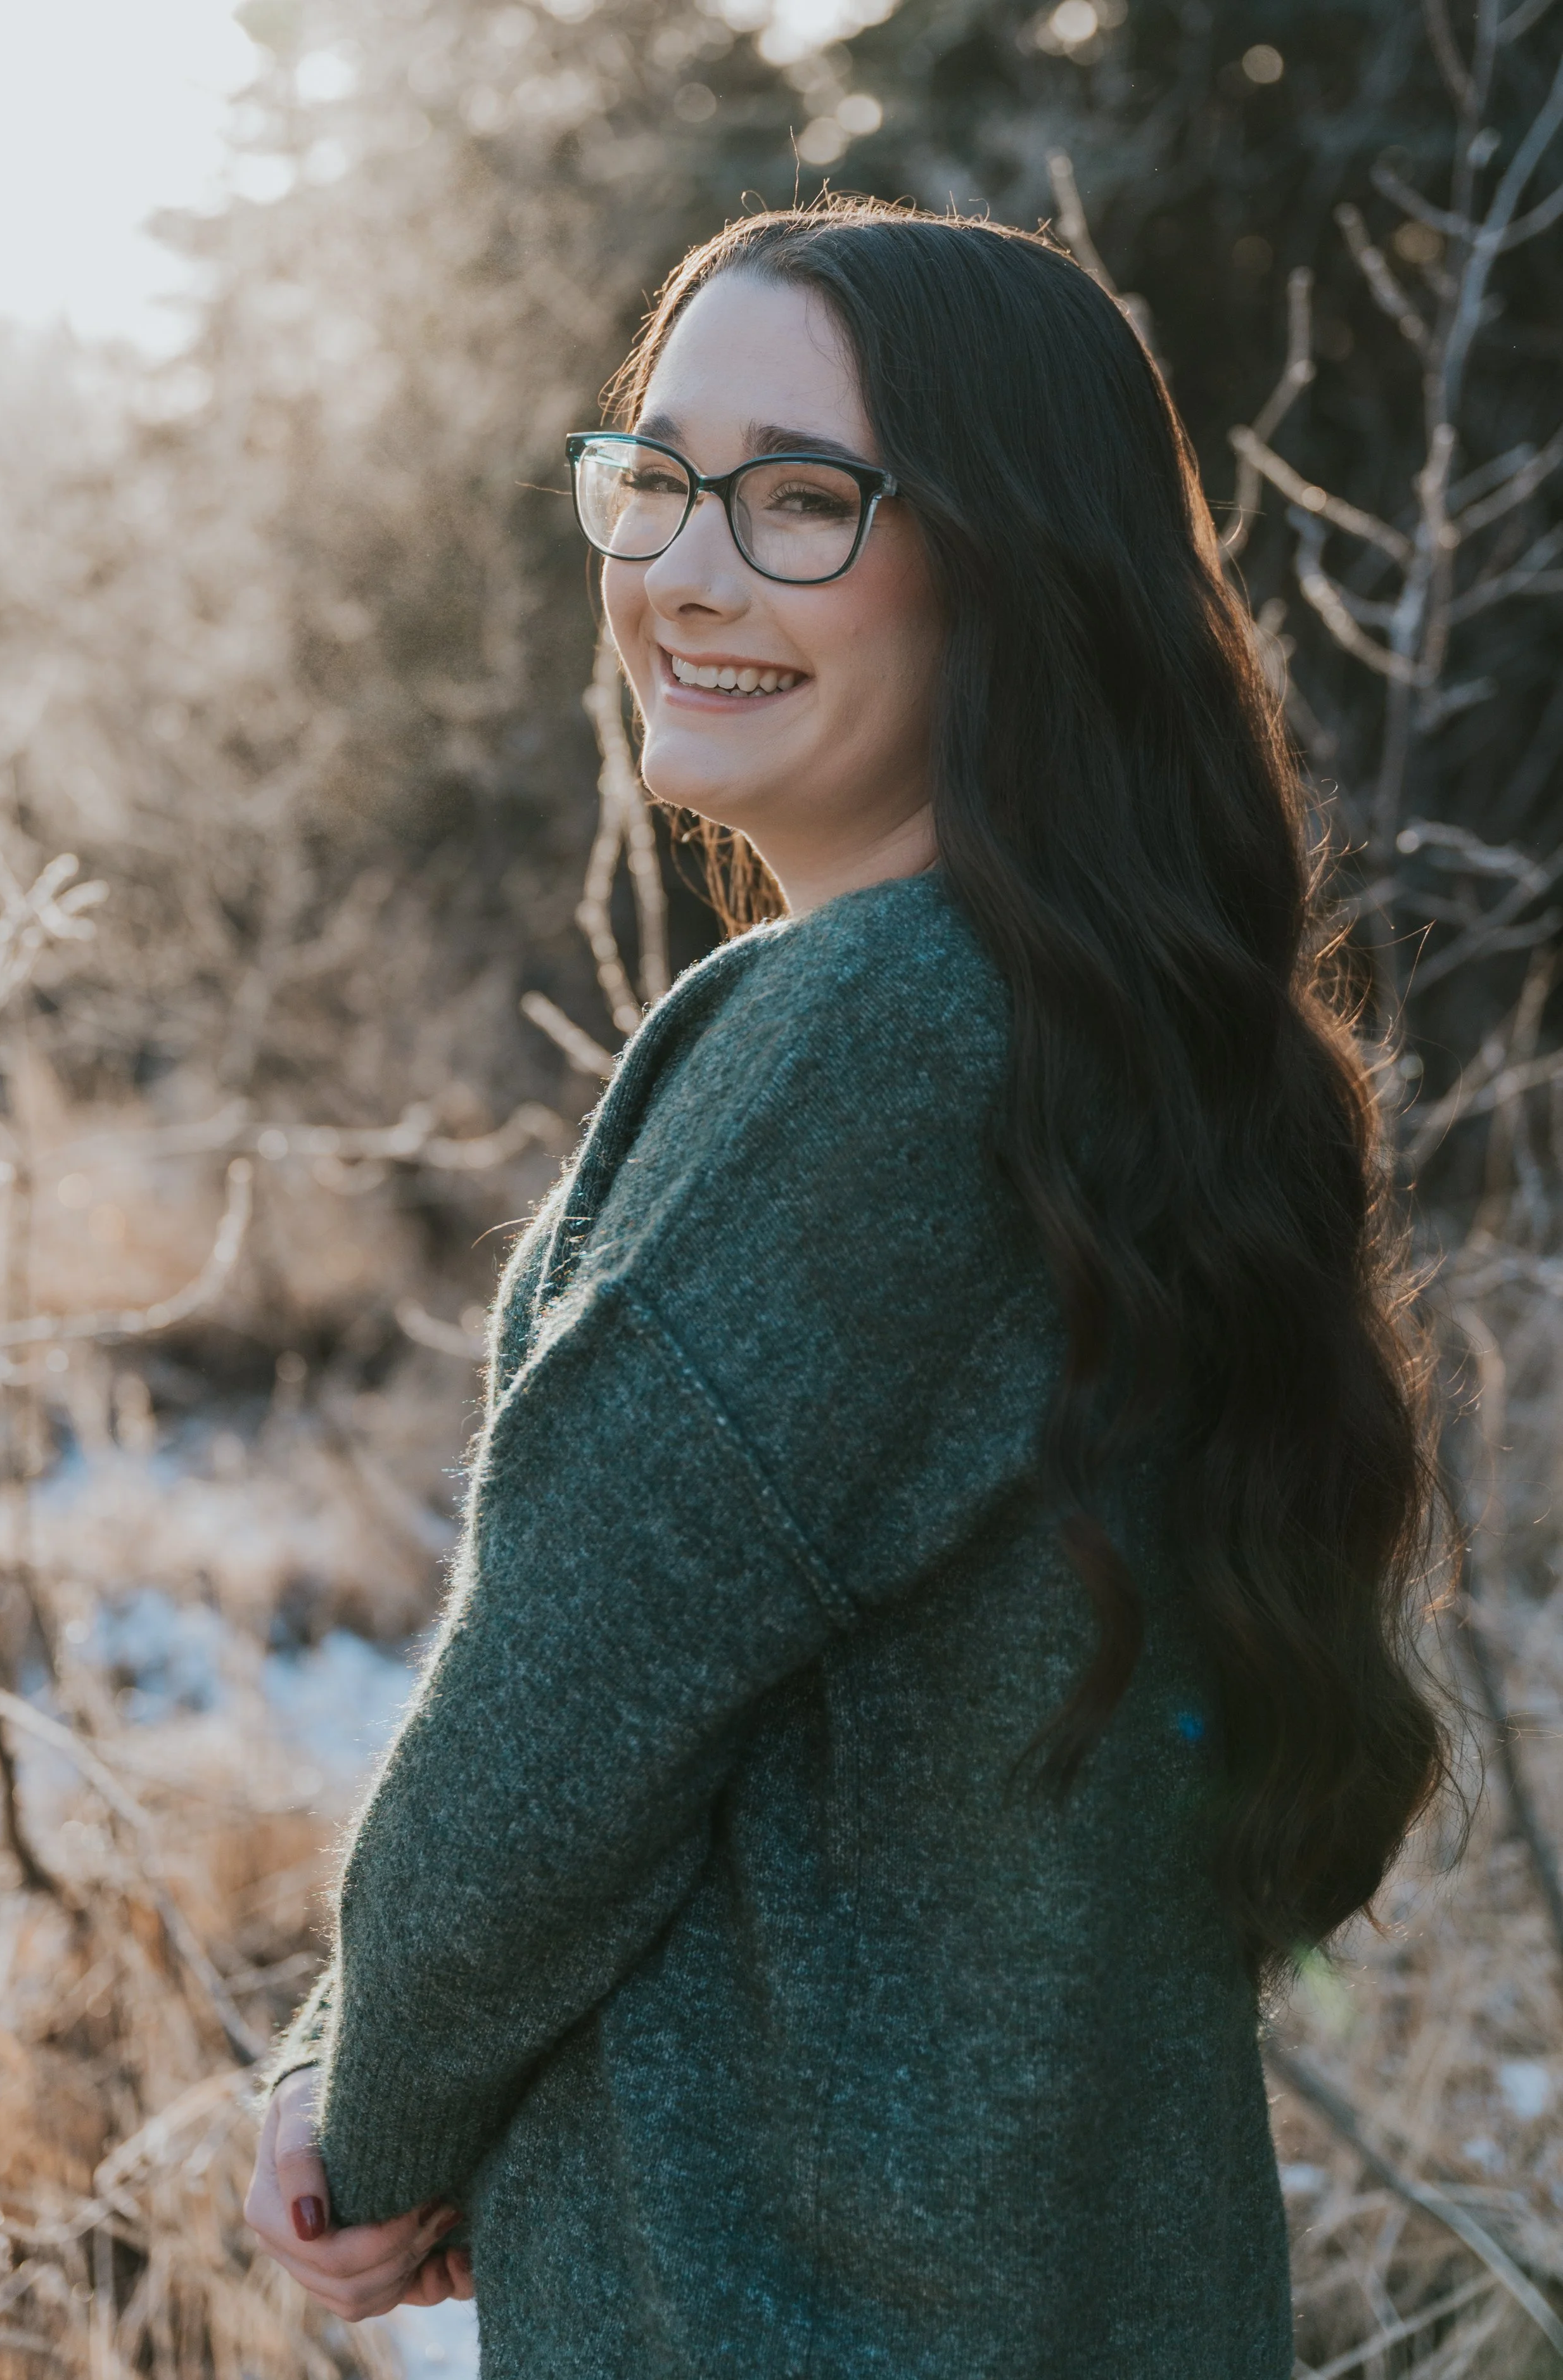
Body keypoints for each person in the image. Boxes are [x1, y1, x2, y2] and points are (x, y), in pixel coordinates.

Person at [245, 202, 1450, 2378]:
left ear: (1015, 568)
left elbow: (563, 1709)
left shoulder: (873, 1038)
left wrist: (364, 2105)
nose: (685, 570)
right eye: (657, 475)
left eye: (805, 500)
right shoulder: (1124, 1053)